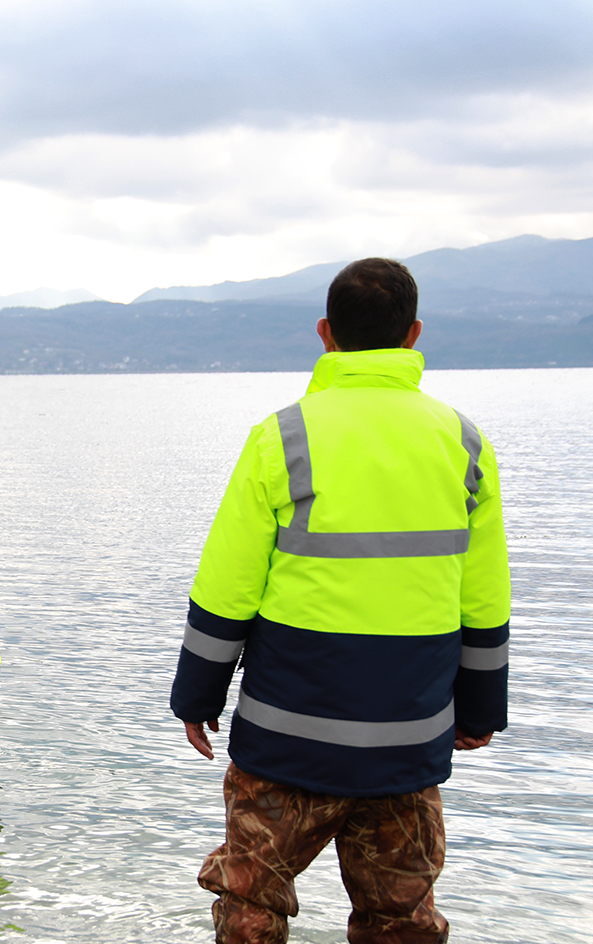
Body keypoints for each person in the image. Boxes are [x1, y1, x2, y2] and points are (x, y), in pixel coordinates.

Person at [170, 259, 510, 944]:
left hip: (285, 740)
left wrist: (197, 696)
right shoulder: (464, 444)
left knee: (251, 904)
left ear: (325, 333)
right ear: (414, 334)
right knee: (400, 918)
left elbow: (229, 582)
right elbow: (484, 593)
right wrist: (479, 709)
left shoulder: (282, 438)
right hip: (408, 739)